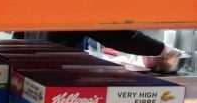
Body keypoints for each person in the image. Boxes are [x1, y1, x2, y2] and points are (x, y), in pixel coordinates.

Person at [14, 30, 182, 73]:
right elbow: (116, 36)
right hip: (57, 74)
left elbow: (19, 35)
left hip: (29, 70)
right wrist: (162, 49)